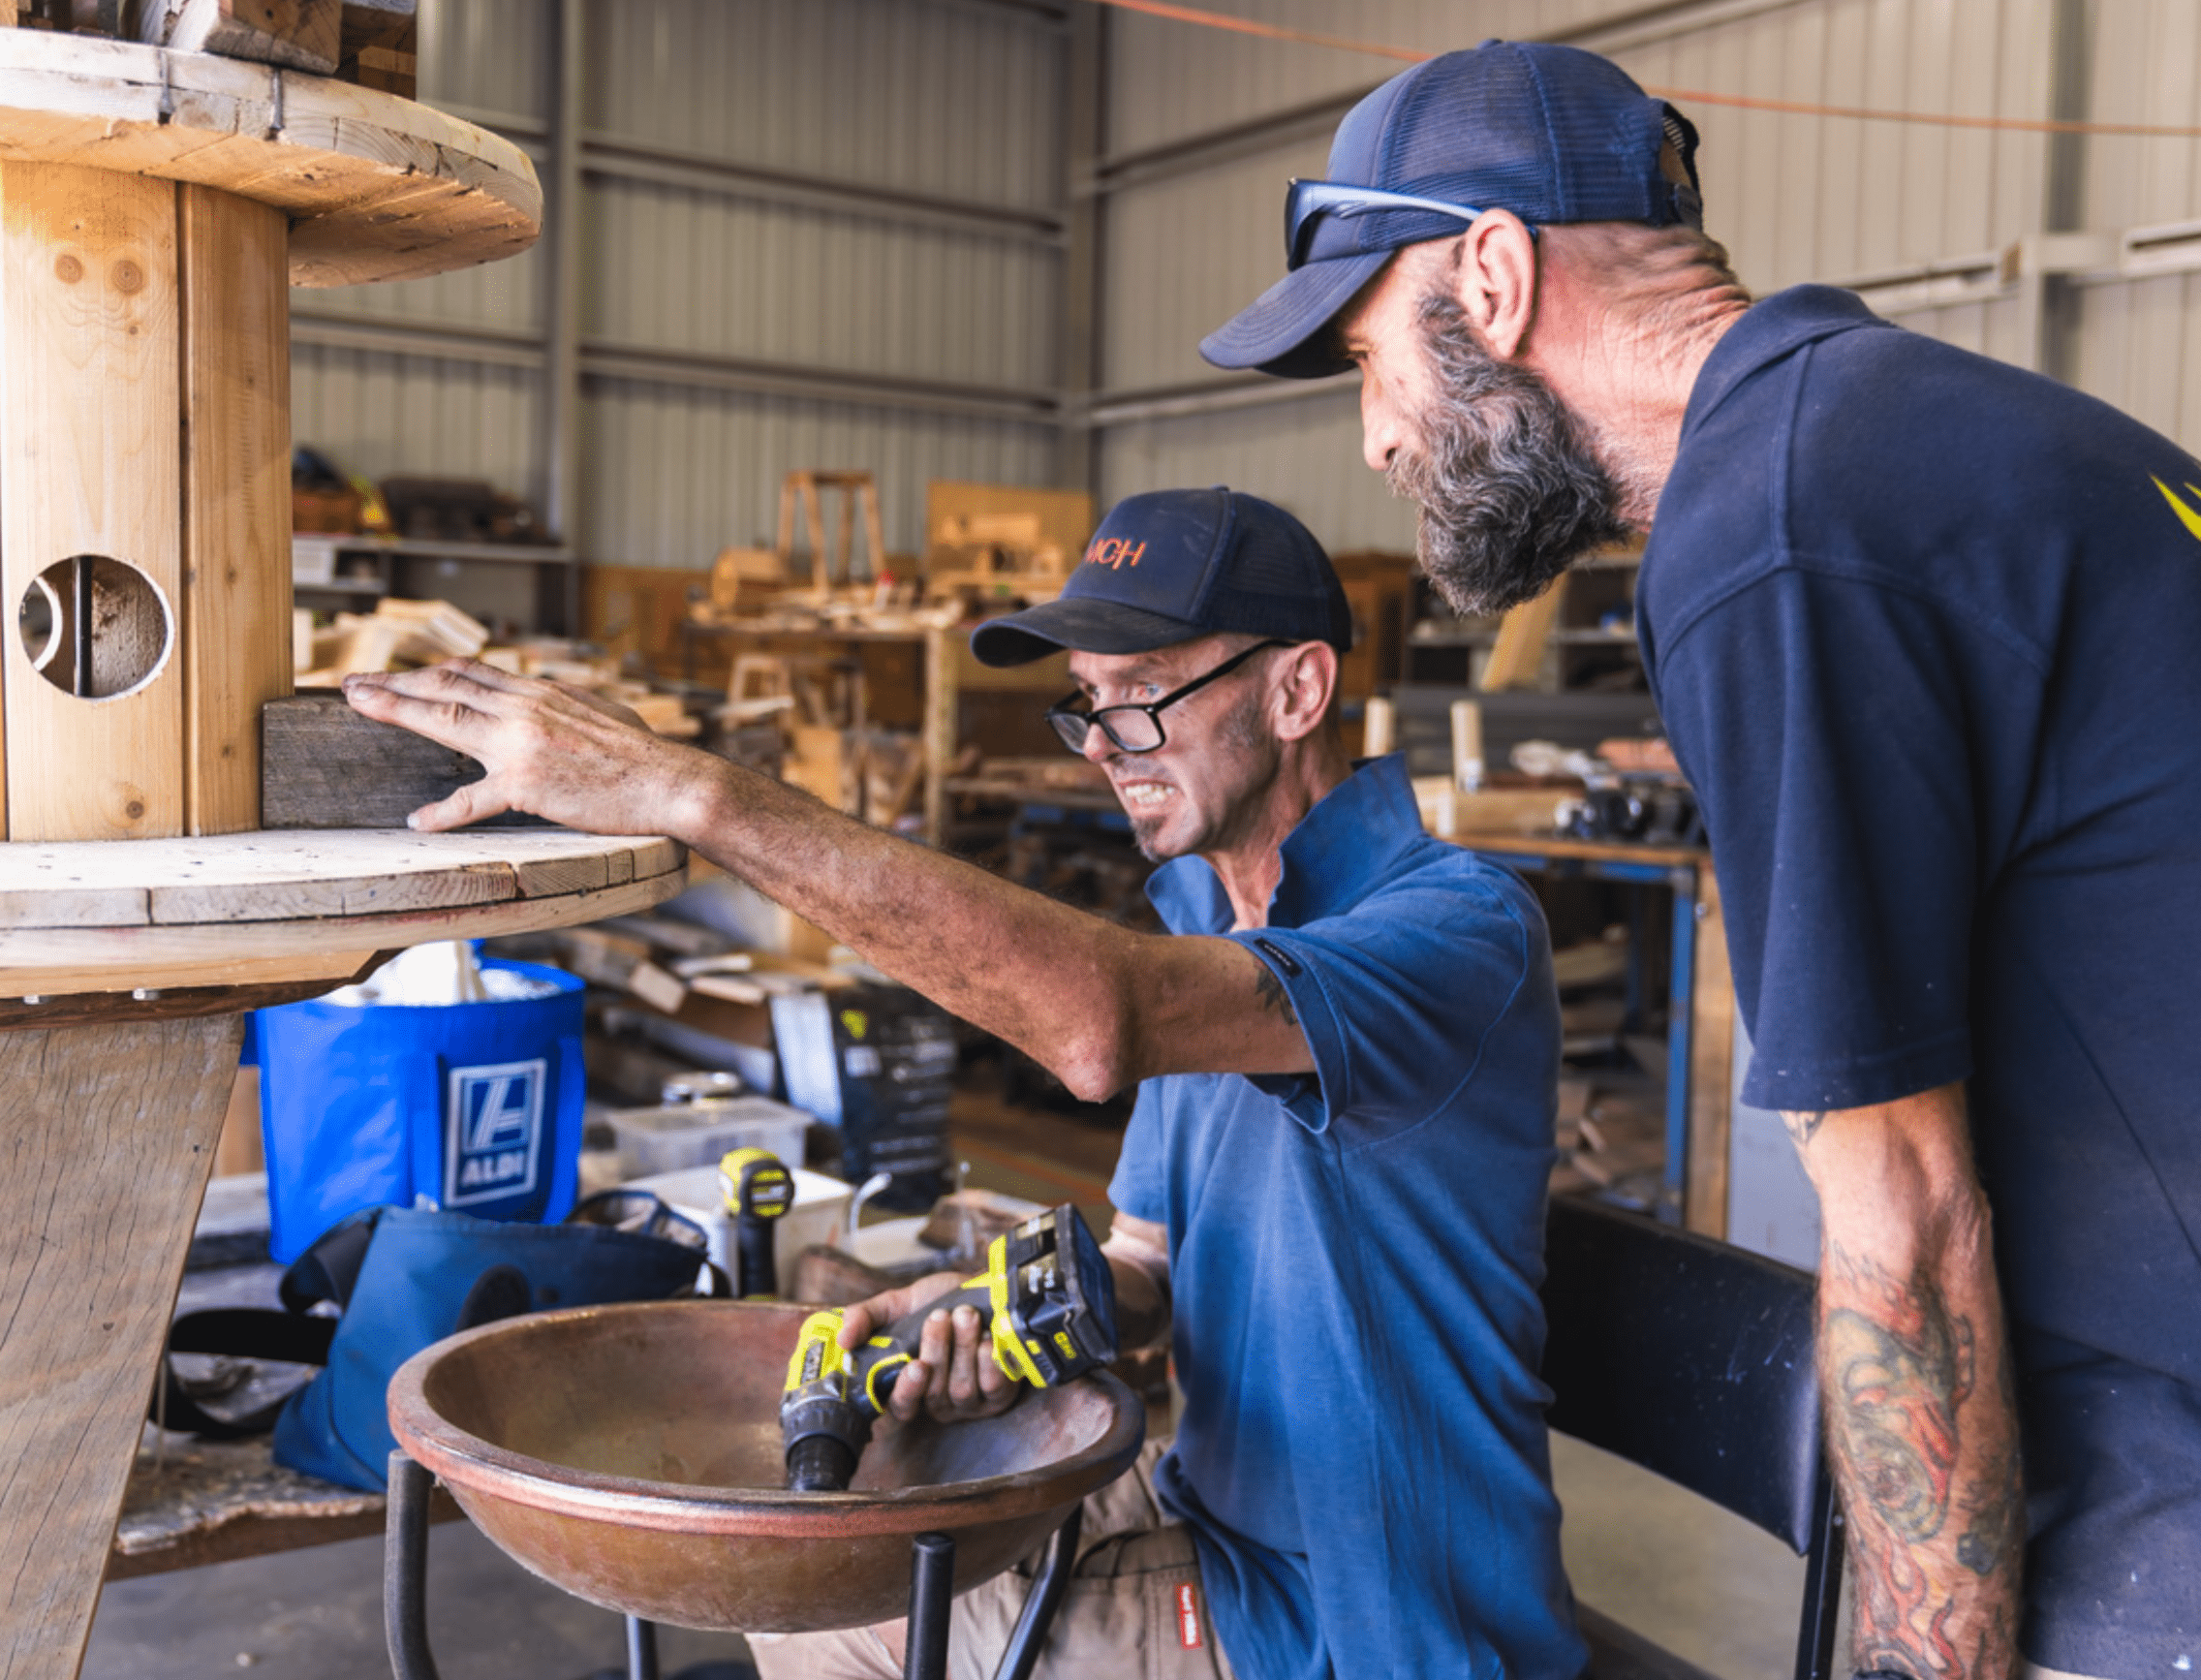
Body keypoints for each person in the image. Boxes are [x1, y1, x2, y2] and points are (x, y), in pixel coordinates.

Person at [1197, 35, 2201, 1680]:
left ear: (1489, 270)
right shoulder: (1943, 435)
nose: (1378, 436)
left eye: (1365, 351)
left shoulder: (1769, 529)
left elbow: (1895, 1201)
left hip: (2193, 1516)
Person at [343, 486, 1589, 1680]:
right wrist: (987, 1307)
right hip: (1220, 1506)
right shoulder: (1208, 927)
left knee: (825, 1615)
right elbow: (1149, 1275)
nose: (1106, 747)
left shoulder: (1454, 931)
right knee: (822, 1540)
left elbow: (1096, 1026)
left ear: (1298, 687)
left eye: (1144, 696)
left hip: (1366, 1613)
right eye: (1088, 703)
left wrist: (695, 792)